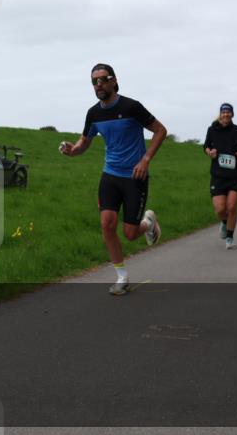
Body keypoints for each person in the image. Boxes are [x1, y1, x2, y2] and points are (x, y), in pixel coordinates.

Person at [59, 63, 166, 295]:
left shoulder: (131, 107)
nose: (98, 84)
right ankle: (122, 276)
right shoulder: (94, 113)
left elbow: (160, 130)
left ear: (113, 80)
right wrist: (72, 149)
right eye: (93, 81)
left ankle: (148, 224)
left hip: (135, 176)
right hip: (110, 175)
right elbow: (83, 144)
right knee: (107, 224)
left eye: (102, 79)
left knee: (129, 233)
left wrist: (145, 159)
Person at [203, 103, 237, 250]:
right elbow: (205, 146)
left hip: (235, 175)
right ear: (220, 114)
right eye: (223, 112)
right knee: (220, 209)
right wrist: (209, 152)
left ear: (232, 115)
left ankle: (230, 237)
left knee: (231, 207)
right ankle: (224, 222)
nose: (226, 114)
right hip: (218, 175)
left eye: (228, 112)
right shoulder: (212, 130)